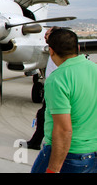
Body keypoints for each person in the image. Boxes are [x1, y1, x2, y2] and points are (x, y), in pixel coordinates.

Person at [31, 29, 97, 173]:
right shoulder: (94, 69)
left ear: (51, 51)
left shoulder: (57, 79)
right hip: (93, 153)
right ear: (78, 48)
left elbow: (63, 130)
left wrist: (53, 169)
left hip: (69, 156)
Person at [27, 26, 59, 150]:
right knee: (43, 115)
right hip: (50, 89)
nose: (44, 36)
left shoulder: (58, 52)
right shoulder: (51, 50)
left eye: (47, 34)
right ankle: (37, 141)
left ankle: (37, 142)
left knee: (43, 115)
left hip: (56, 90)